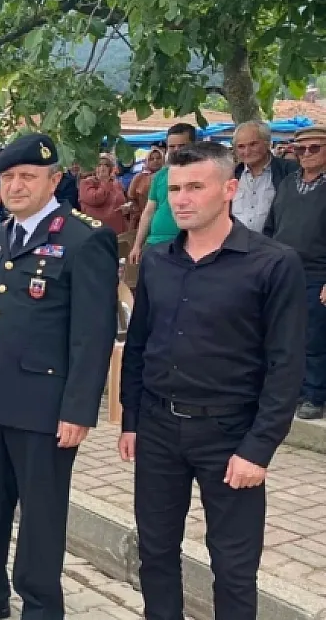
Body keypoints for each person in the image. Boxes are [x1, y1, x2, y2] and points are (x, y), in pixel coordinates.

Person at [0, 133, 118, 620]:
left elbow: (92, 334)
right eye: (8, 177)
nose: (15, 186)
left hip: (44, 406)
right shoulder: (5, 233)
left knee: (40, 514)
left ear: (54, 180)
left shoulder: (84, 237)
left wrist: (79, 410)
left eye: (27, 177)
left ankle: (40, 605)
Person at [120, 142, 306, 620]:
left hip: (230, 435)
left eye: (195, 187)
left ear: (230, 188)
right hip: (159, 429)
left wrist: (259, 448)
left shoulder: (273, 263)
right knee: (156, 552)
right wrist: (131, 419)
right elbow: (139, 345)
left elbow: (285, 364)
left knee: (234, 565)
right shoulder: (159, 260)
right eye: (176, 188)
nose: (182, 199)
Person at [262, 123, 326, 420]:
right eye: (300, 148)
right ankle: (294, 392)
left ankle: (314, 395)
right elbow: (273, 225)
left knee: (314, 338)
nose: (306, 154)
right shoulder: (288, 183)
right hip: (284, 271)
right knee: (285, 336)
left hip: (318, 273)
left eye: (315, 148)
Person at [130, 123, 197, 263]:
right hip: (155, 244)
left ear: (194, 145)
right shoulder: (160, 176)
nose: (176, 150)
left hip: (186, 245)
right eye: (172, 146)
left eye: (182, 145)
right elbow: (148, 212)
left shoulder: (203, 175)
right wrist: (137, 245)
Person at [231, 120, 298, 232]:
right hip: (235, 244)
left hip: (274, 246)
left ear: (267, 143)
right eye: (241, 146)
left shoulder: (289, 172)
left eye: (253, 144)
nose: (247, 151)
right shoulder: (231, 175)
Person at [79, 154, 128, 234]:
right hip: (97, 232)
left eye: (106, 165)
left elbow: (123, 200)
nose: (103, 167)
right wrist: (104, 182)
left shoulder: (116, 183)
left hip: (118, 232)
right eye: (99, 164)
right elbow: (95, 199)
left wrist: (127, 208)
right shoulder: (86, 183)